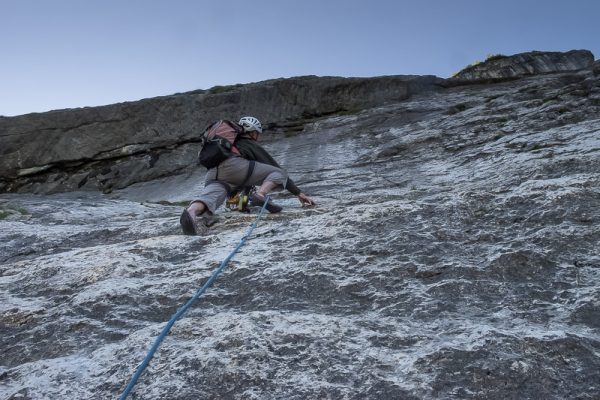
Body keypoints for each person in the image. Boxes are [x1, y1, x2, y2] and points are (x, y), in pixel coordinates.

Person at [180, 116, 316, 235]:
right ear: (252, 131)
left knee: (208, 199)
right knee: (278, 173)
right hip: (234, 168)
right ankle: (261, 195)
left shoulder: (223, 144)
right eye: (257, 133)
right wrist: (298, 193)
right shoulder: (246, 142)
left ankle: (191, 213)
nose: (257, 137)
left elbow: (246, 181)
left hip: (212, 174)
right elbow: (274, 166)